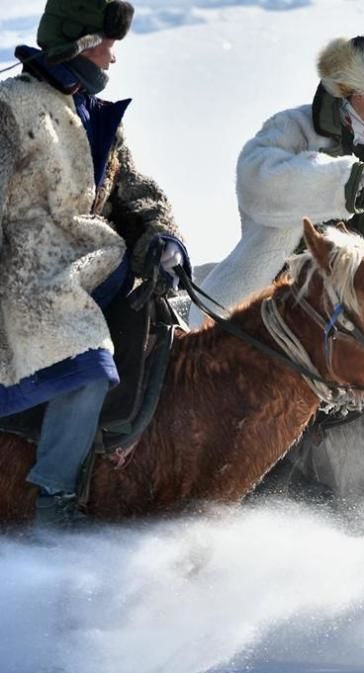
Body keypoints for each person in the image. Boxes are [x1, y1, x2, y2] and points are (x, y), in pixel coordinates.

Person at [0, 0, 188, 526]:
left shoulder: (94, 112)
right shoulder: (9, 106)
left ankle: (118, 455)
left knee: (159, 316)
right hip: (26, 272)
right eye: (107, 45)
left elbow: (134, 189)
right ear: (80, 44)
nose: (112, 58)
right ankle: (53, 501)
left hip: (90, 260)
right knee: (85, 364)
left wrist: (161, 235)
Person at [188, 33, 364, 329]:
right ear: (361, 92)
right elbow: (255, 176)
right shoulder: (296, 126)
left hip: (352, 302)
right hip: (272, 293)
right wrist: (335, 183)